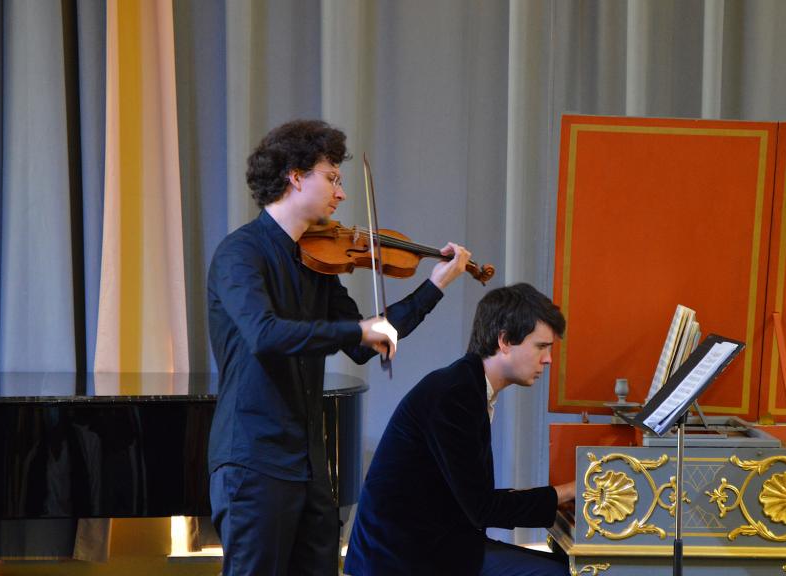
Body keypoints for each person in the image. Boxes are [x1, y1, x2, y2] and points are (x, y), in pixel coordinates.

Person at [206, 119, 470, 575]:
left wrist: (435, 286)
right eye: (332, 178)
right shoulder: (240, 254)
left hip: (308, 466)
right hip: (253, 461)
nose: (342, 194)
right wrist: (356, 332)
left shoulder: (317, 264)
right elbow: (266, 336)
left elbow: (368, 342)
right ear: (295, 175)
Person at [344, 283, 576, 576]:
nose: (548, 359)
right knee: (563, 573)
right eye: (541, 346)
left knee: (565, 566)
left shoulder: (468, 385)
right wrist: (566, 492)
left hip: (435, 543)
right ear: (504, 341)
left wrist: (554, 497)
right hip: (405, 559)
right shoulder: (456, 395)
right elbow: (482, 508)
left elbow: (471, 495)